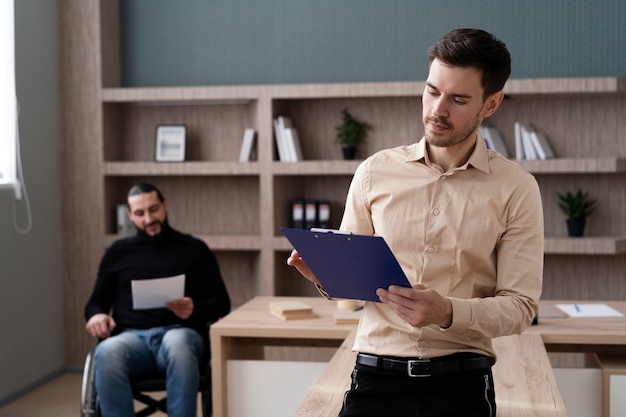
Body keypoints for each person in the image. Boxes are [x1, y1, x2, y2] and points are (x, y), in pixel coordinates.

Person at [288, 28, 543, 417]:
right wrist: (326, 277)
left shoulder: (517, 188)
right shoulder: (374, 172)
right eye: (431, 91)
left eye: (458, 99)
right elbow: (355, 290)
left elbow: (520, 307)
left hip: (463, 385)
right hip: (374, 379)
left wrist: (448, 313)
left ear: (491, 104)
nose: (437, 110)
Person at [85, 182, 231, 417]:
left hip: (181, 333)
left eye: (153, 209)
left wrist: (194, 309)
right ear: (130, 215)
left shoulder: (194, 248)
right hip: (132, 340)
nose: (149, 218)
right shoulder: (117, 253)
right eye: (140, 213)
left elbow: (222, 303)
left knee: (177, 342)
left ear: (164, 205)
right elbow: (95, 302)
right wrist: (97, 315)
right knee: (107, 350)